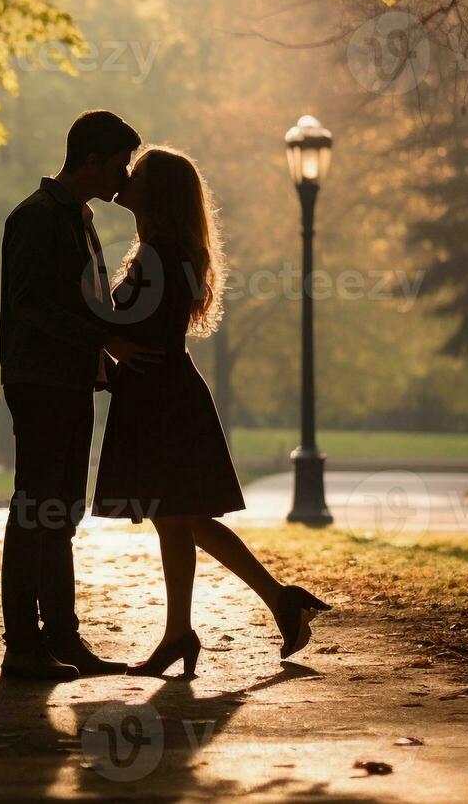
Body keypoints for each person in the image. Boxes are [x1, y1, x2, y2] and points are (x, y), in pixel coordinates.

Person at [93, 146, 329, 677]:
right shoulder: (164, 250)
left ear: (158, 193)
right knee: (179, 517)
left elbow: (135, 328)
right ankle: (225, 617)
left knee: (178, 516)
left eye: (140, 173)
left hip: (161, 397)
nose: (127, 175)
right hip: (162, 392)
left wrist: (101, 334)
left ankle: (213, 622)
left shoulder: (161, 254)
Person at [0, 109, 163, 681]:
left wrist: (103, 357)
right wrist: (107, 340)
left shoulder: (76, 217)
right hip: (40, 382)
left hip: (65, 381)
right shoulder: (39, 218)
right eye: (119, 164)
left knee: (57, 511)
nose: (124, 176)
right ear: (91, 161)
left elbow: (76, 303)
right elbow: (31, 305)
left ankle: (60, 639)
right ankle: (23, 644)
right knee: (35, 509)